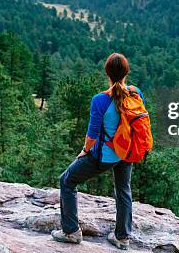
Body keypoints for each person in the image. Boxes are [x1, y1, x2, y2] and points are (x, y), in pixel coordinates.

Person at [52, 53, 144, 251]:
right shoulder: (136, 93)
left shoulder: (100, 100)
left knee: (67, 180)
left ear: (107, 73)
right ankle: (122, 237)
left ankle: (71, 232)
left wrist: (85, 151)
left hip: (104, 156)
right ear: (127, 73)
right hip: (126, 153)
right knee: (123, 190)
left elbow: (92, 134)